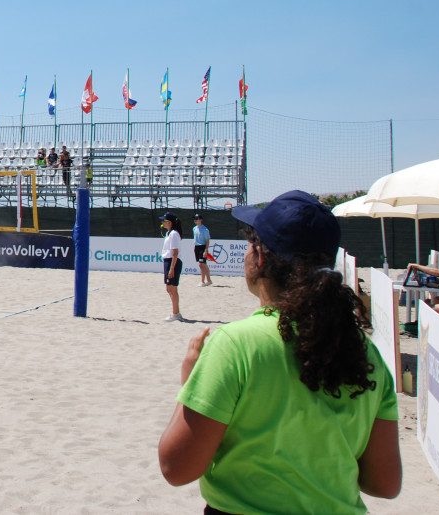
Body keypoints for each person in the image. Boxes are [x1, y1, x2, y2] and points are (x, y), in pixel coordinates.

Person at [158, 190, 401, 513]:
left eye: (249, 243)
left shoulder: (235, 345)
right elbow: (385, 483)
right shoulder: (365, 352)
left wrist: (189, 383)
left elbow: (176, 468)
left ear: (259, 257)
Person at [160, 211, 184, 321]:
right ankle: (176, 312)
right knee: (169, 288)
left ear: (169, 222)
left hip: (172, 261)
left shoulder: (174, 233)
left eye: (164, 221)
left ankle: (176, 313)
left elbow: (175, 252)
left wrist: (171, 268)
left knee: (172, 289)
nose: (162, 223)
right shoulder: (169, 233)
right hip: (168, 261)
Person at [193, 214, 213, 287]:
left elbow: (207, 241)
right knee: (203, 264)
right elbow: (195, 239)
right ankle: (209, 280)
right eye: (194, 219)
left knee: (201, 264)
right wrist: (194, 247)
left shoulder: (205, 229)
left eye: (197, 219)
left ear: (201, 219)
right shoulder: (194, 228)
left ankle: (202, 281)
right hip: (197, 247)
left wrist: (206, 250)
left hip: (202, 247)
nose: (195, 220)